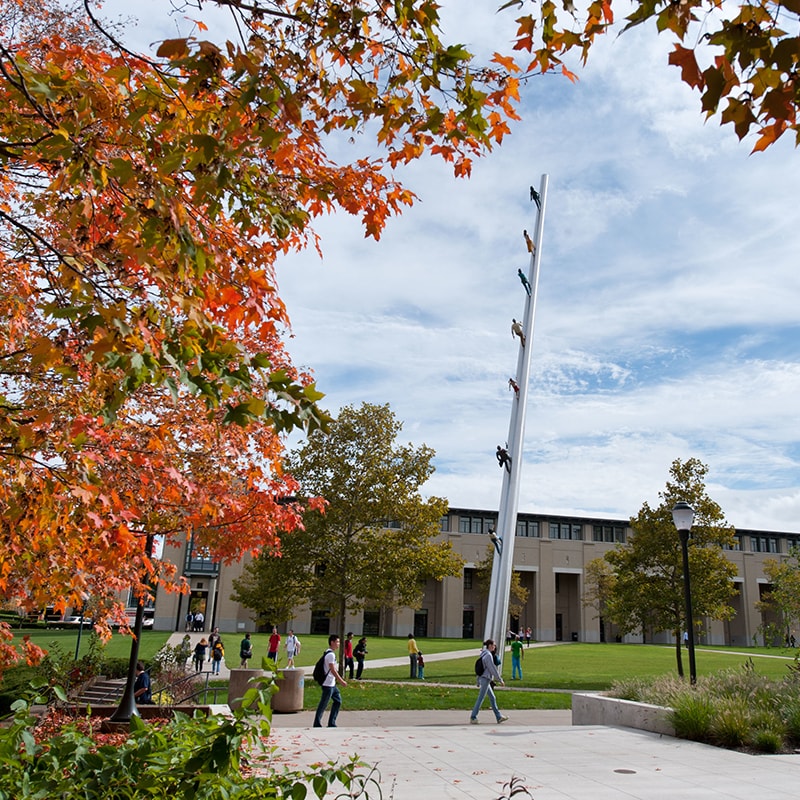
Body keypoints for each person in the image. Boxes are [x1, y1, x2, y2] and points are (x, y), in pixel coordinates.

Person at [470, 639, 508, 725]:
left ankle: (498, 717)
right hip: (485, 679)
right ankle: (473, 717)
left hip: (484, 678)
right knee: (481, 698)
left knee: (492, 698)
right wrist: (500, 680)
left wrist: (478, 680)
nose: (495, 647)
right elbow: (492, 669)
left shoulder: (484, 654)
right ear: (490, 646)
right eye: (494, 645)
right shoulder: (488, 656)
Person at [313, 634, 347, 728]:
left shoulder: (328, 653)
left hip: (331, 684)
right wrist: (341, 681)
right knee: (324, 704)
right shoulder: (330, 655)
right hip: (328, 684)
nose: (338, 644)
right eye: (337, 642)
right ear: (332, 642)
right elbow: (332, 669)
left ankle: (331, 722)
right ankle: (317, 723)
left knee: (338, 701)